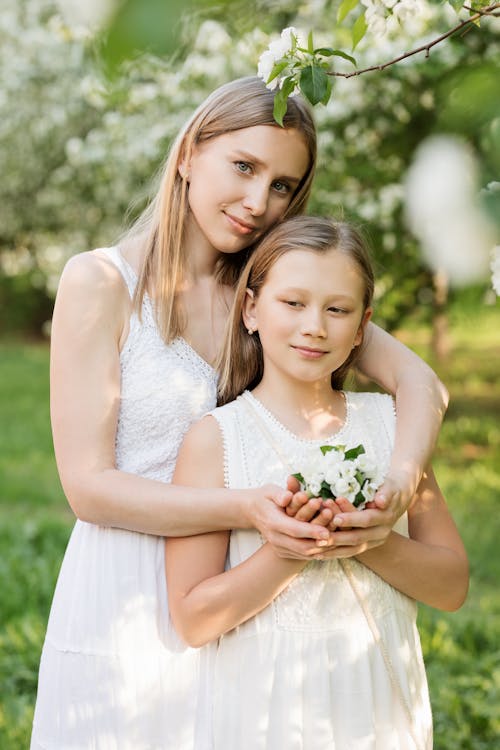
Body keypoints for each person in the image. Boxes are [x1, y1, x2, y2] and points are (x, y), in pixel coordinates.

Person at [31, 77, 448, 749]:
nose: (259, 202)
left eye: (284, 185)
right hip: (127, 591)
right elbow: (88, 486)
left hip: (244, 593)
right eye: (245, 167)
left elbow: (423, 385)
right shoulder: (101, 282)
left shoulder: (273, 295)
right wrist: (251, 508)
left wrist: (401, 476)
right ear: (191, 153)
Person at [165, 215, 469, 750]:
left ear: (361, 327)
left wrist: (371, 541)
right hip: (264, 707)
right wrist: (292, 549)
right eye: (293, 303)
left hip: (374, 701)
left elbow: (452, 586)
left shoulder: (394, 428)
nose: (315, 326)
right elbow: (193, 619)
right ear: (252, 309)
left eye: (337, 309)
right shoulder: (216, 441)